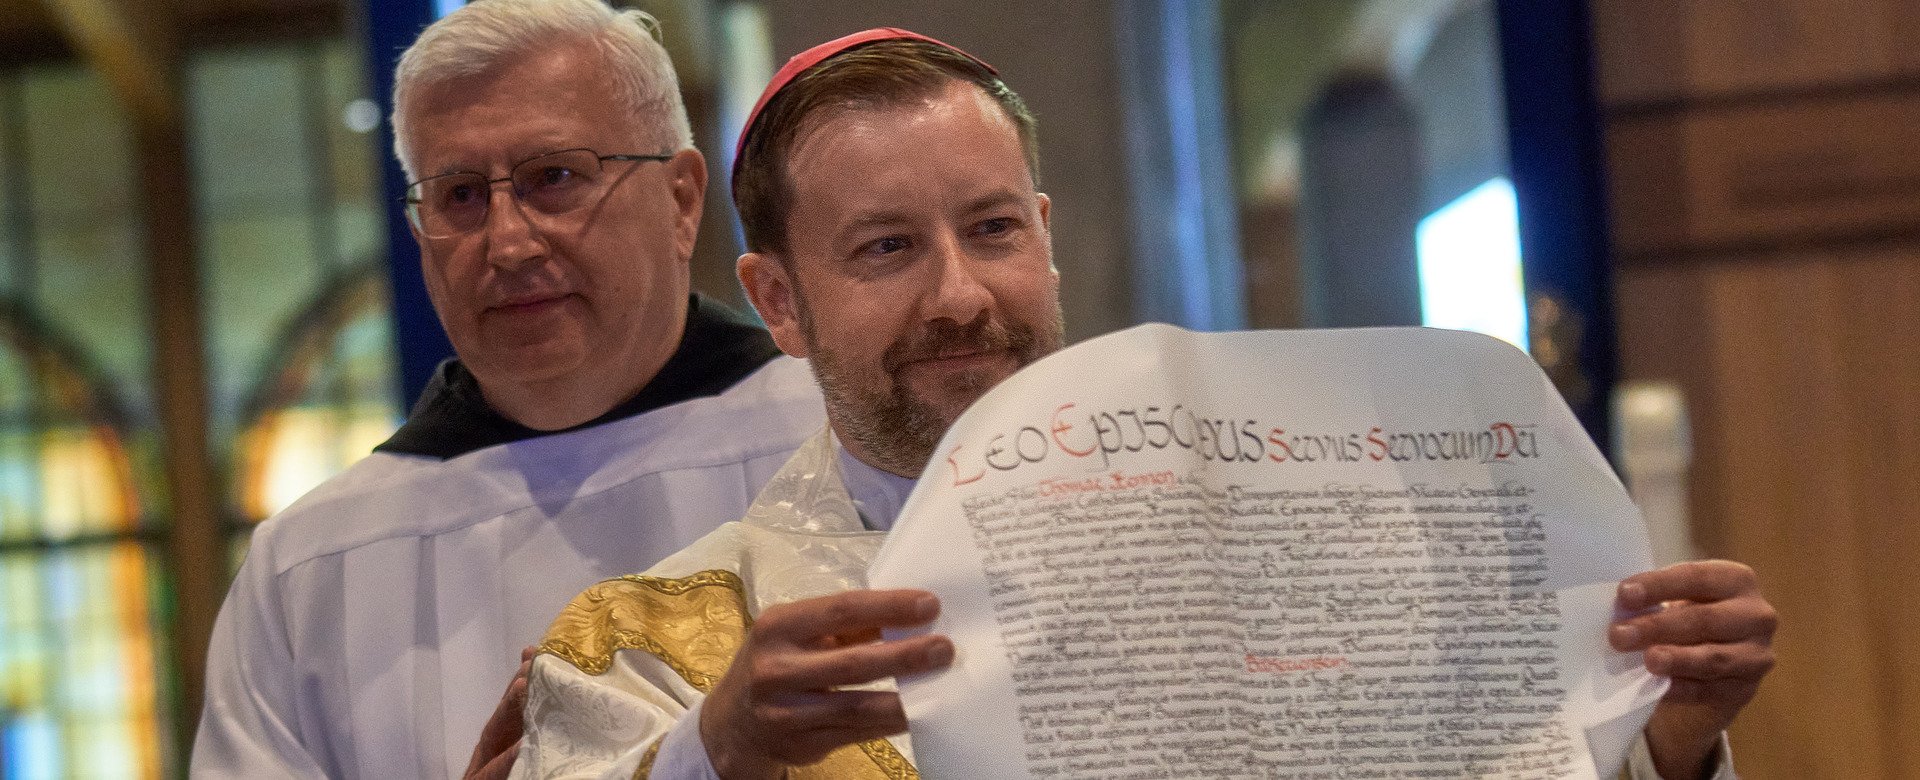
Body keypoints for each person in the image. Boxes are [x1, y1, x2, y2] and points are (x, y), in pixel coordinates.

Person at [510, 29, 1776, 780]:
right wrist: (722, 746)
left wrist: (1670, 737)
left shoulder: (1305, 549)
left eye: (992, 229)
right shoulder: (661, 641)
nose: (961, 295)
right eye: (886, 249)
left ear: (1046, 240)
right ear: (778, 300)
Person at [190, 2, 823, 777]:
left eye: (553, 178)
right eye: (460, 195)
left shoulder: (850, 440)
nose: (509, 243)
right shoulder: (310, 568)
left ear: (682, 200)